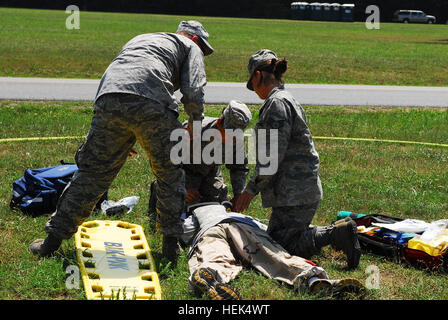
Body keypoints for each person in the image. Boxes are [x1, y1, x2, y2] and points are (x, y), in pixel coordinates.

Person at [29, 20, 214, 264]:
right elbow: (193, 90)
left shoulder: (142, 37)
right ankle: (170, 249)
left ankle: (51, 242)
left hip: (108, 100)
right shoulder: (190, 47)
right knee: (169, 176)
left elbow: (119, 75)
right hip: (153, 104)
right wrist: (196, 125)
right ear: (194, 39)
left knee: (91, 174)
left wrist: (121, 134)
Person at [233, 49, 361, 269]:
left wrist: (249, 191)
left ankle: (337, 234)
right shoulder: (284, 99)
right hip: (297, 190)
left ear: (257, 76)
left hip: (295, 193)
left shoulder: (276, 104)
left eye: (252, 83)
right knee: (278, 240)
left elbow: (270, 157)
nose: (253, 90)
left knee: (277, 248)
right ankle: (336, 231)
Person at [183, 204, 365, 300]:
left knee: (214, 254)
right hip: (245, 227)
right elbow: (266, 230)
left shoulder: (193, 215)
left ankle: (211, 277)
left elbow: (184, 233)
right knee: (276, 257)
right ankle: (314, 280)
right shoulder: (243, 215)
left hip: (209, 230)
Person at [148, 100, 252, 217]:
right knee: (178, 202)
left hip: (210, 171)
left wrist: (238, 194)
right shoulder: (194, 129)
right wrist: (179, 186)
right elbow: (163, 157)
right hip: (183, 169)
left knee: (215, 206)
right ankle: (158, 187)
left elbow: (238, 168)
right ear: (219, 123)